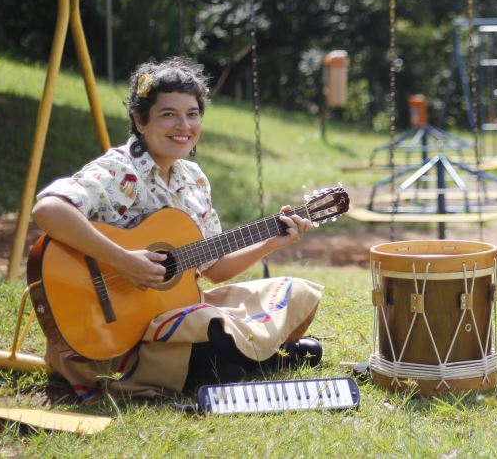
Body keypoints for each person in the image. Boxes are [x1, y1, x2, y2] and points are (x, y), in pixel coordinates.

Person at [32, 57, 325, 398]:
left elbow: (213, 268)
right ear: (140, 121)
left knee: (294, 290)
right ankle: (252, 361)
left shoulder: (195, 179)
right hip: (115, 330)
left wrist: (270, 243)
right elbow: (48, 209)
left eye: (192, 114)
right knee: (206, 327)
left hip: (174, 316)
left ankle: (223, 366)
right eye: (168, 114)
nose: (183, 125)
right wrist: (124, 261)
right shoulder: (117, 171)